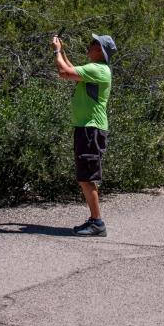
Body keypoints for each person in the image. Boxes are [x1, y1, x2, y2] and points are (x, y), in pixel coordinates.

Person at [52, 32, 116, 237]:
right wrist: (63, 51)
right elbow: (71, 69)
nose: (88, 46)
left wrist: (58, 50)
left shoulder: (99, 70)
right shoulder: (95, 69)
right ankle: (94, 220)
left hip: (91, 129)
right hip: (86, 128)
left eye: (92, 43)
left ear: (100, 49)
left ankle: (97, 223)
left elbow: (64, 72)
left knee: (86, 177)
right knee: (84, 176)